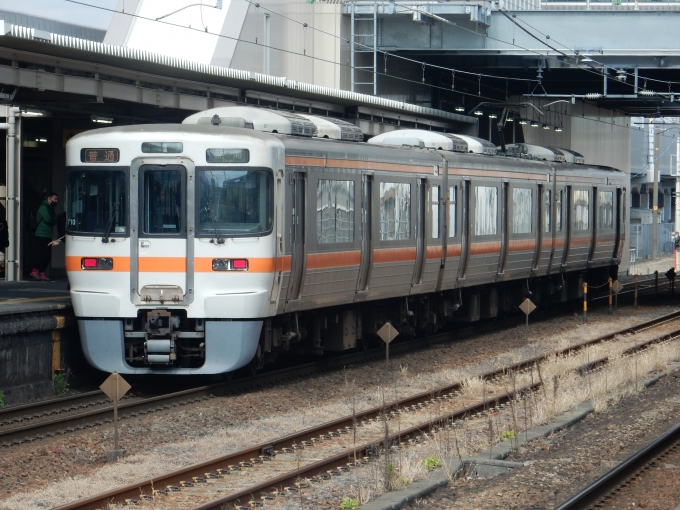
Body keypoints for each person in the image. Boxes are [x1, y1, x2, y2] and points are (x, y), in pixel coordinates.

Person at [31, 191, 60, 281]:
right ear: (49, 198)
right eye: (55, 199)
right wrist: (53, 219)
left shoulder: (50, 208)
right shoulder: (43, 207)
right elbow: (49, 220)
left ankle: (42, 272)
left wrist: (53, 220)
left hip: (47, 234)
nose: (56, 201)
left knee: (47, 255)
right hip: (41, 234)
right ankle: (35, 269)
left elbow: (53, 220)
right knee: (44, 254)